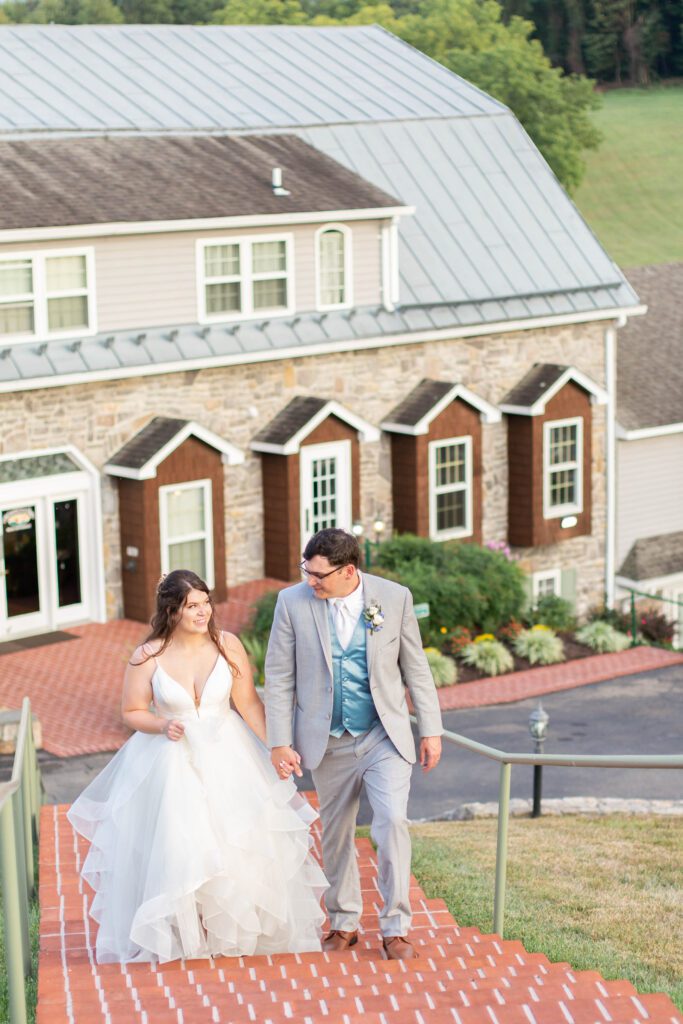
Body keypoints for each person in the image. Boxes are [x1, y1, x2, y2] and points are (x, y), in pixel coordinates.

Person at [67, 569, 327, 964]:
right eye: (193, 606)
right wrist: (161, 724)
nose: (202, 612)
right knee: (181, 845)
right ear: (172, 610)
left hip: (229, 755)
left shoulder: (228, 646)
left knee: (237, 841)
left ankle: (235, 930)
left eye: (206, 603)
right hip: (171, 761)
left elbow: (249, 704)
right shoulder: (148, 655)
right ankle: (185, 935)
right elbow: (131, 711)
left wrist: (278, 746)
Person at [265, 528, 443, 961]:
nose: (311, 581)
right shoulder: (292, 603)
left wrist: (431, 729)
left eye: (319, 575)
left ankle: (396, 927)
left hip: (384, 736)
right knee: (336, 835)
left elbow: (415, 668)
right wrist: (279, 743)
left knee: (391, 823)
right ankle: (344, 922)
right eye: (306, 571)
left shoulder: (393, 597)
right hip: (326, 741)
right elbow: (279, 676)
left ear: (348, 571)